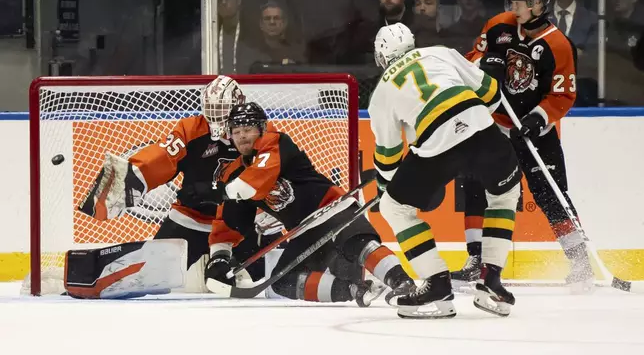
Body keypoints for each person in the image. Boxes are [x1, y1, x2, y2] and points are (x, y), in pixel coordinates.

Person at [70, 76, 273, 298]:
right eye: (212, 107)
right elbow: (164, 156)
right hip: (190, 220)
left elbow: (269, 172)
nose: (216, 113)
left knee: (271, 275)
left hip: (238, 224)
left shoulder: (257, 131)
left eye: (222, 108)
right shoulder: (191, 129)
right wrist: (133, 176)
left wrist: (268, 210)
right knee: (148, 276)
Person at [452, 0, 593, 293]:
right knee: (476, 185)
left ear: (538, 5)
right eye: (512, 2)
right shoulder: (498, 25)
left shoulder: (558, 44)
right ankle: (476, 260)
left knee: (551, 194)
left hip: (535, 131)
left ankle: (579, 261)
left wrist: (537, 119)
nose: (512, 7)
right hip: (498, 123)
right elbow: (473, 58)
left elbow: (562, 95)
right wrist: (486, 64)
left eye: (519, 2)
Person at [369, 23, 521, 318]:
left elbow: (387, 156)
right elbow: (491, 93)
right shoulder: (440, 53)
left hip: (438, 146)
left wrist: (389, 185)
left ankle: (437, 284)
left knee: (394, 208)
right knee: (505, 195)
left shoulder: (382, 92)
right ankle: (491, 280)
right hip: (483, 131)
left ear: (382, 55)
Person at [204, 102, 415, 307]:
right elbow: (232, 221)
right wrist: (220, 257)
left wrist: (221, 192)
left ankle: (401, 281)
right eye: (236, 131)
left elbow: (252, 183)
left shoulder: (275, 142)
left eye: (248, 129)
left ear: (261, 129)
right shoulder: (233, 173)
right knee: (283, 282)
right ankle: (355, 290)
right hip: (303, 230)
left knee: (358, 244)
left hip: (332, 208)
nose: (241, 136)